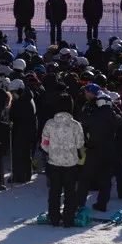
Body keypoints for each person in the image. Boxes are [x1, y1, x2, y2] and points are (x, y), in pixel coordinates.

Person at [40, 93, 85, 227]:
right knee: (70, 193)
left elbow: (43, 144)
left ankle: (54, 218)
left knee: (54, 192)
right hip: (71, 164)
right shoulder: (76, 125)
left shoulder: (49, 123)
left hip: (53, 163)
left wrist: (52, 151)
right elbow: (80, 144)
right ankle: (68, 219)